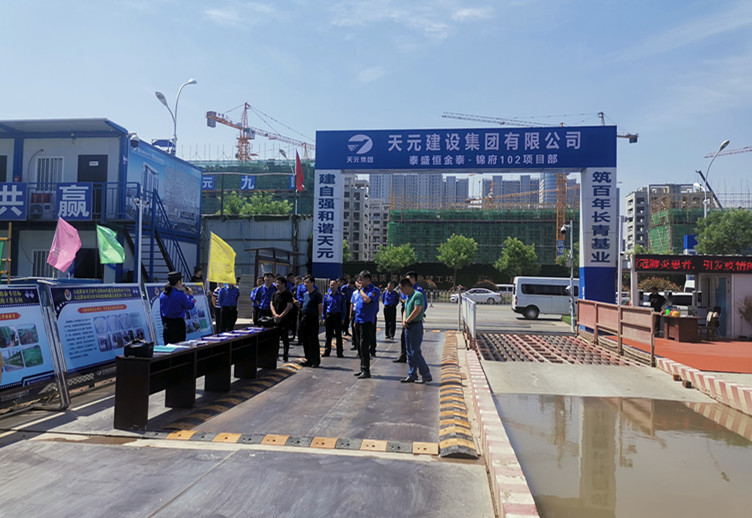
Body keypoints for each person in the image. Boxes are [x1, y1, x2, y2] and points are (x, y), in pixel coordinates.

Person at [399, 278, 432, 384]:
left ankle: (426, 374)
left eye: (402, 289)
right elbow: (405, 309)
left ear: (406, 287)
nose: (401, 291)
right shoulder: (408, 297)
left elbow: (417, 310)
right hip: (408, 326)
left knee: (415, 352)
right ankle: (412, 374)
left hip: (415, 326)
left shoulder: (418, 295)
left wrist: (407, 320)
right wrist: (404, 321)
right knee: (409, 352)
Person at [352, 270, 380, 379]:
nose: (359, 282)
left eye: (361, 280)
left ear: (368, 280)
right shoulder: (362, 290)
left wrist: (360, 290)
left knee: (364, 346)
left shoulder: (374, 290)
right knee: (360, 346)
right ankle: (362, 368)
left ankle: (366, 370)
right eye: (359, 280)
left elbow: (367, 300)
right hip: (359, 320)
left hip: (367, 321)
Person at [395, 271, 426, 363]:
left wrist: (418, 315)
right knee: (404, 336)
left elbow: (421, 306)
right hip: (406, 311)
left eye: (408, 279)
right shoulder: (406, 289)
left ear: (413, 279)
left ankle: (420, 366)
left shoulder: (418, 291)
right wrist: (404, 320)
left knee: (414, 345)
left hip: (414, 315)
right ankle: (403, 355)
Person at [160, 271, 195, 344]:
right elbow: (190, 305)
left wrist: (164, 322)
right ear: (178, 282)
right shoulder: (179, 294)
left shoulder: (163, 294)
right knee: (180, 346)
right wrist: (191, 296)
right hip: (178, 324)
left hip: (167, 323)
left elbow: (161, 310)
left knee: (168, 347)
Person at [299, 274, 323, 367]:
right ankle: (308, 359)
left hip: (313, 319)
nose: (306, 284)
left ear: (312, 283)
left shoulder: (317, 294)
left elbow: (320, 307)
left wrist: (320, 317)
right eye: (305, 282)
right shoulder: (305, 294)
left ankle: (315, 360)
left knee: (313, 340)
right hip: (304, 319)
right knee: (305, 340)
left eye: (308, 282)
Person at [271, 275, 295, 362]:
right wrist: (275, 314)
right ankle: (276, 355)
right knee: (275, 338)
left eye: (278, 283)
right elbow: (271, 304)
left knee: (284, 338)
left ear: (284, 284)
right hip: (275, 319)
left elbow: (289, 306)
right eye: (276, 283)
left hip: (285, 319)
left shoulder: (288, 294)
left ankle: (285, 355)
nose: (277, 284)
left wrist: (281, 316)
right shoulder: (274, 294)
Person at [323, 279, 346, 357]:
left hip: (337, 316)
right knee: (328, 335)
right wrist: (323, 317)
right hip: (329, 316)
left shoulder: (341, 296)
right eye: (331, 285)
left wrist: (343, 318)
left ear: (337, 285)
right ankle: (327, 351)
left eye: (333, 285)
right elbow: (324, 307)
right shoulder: (327, 295)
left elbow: (343, 308)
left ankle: (339, 352)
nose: (332, 287)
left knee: (338, 335)